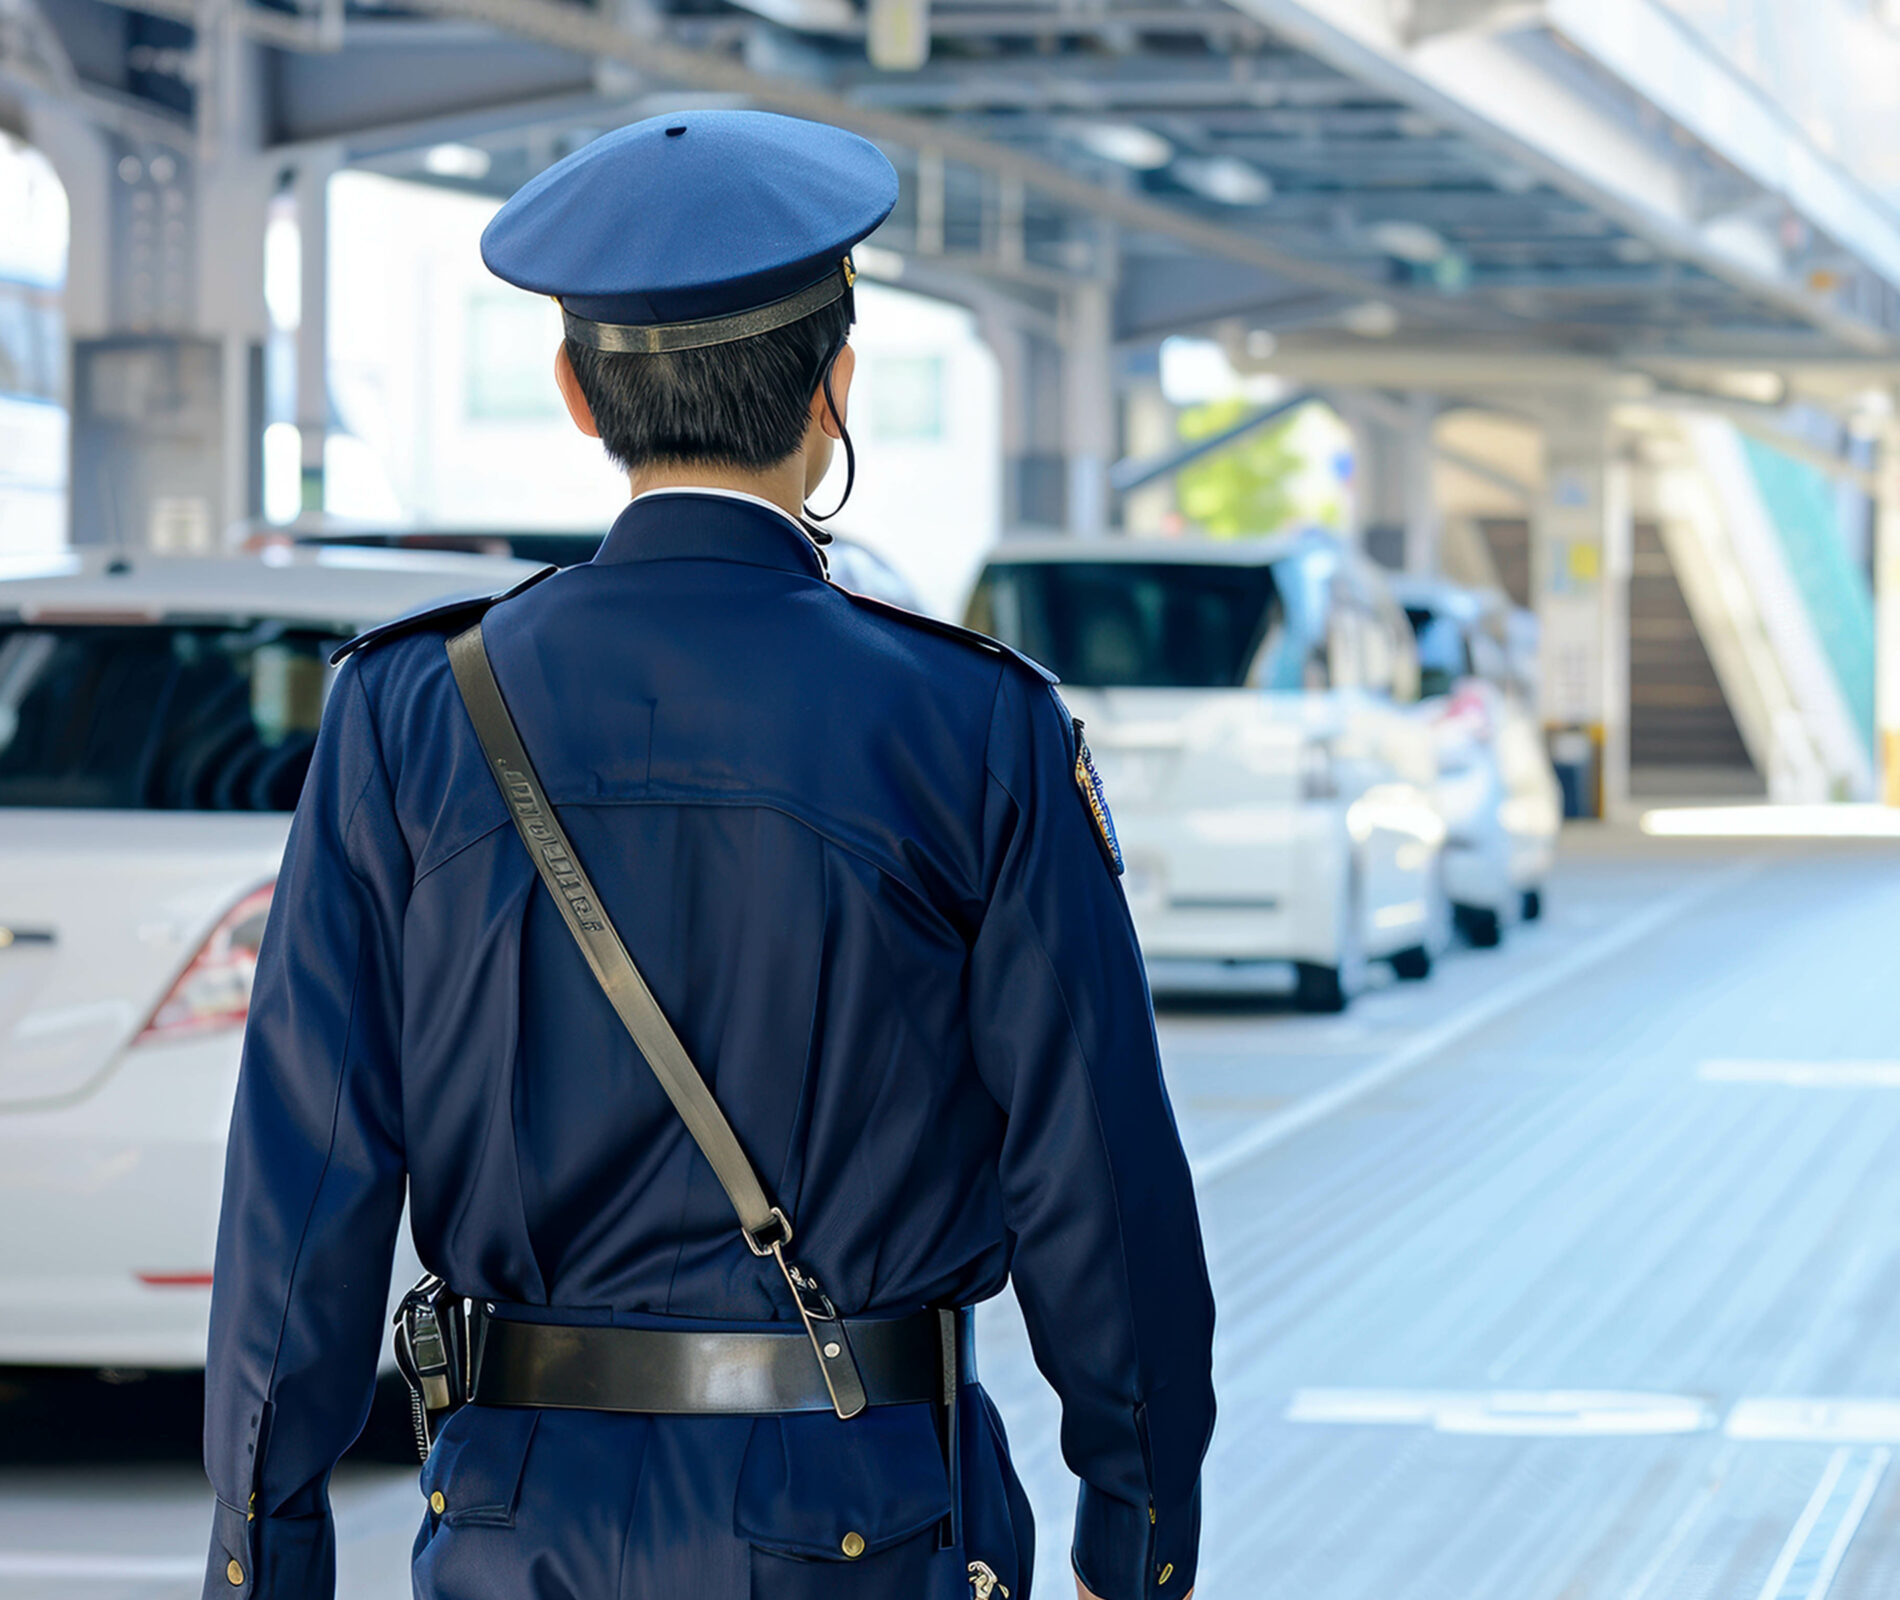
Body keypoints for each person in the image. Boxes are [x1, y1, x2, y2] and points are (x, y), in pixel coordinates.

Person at [200, 108, 1214, 1600]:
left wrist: (262, 1559)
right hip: (869, 1514)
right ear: (836, 387)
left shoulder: (409, 711)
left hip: (511, 1518)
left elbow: (303, 1191)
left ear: (572, 390)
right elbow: (1101, 1185)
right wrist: (1140, 1541)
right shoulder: (971, 721)